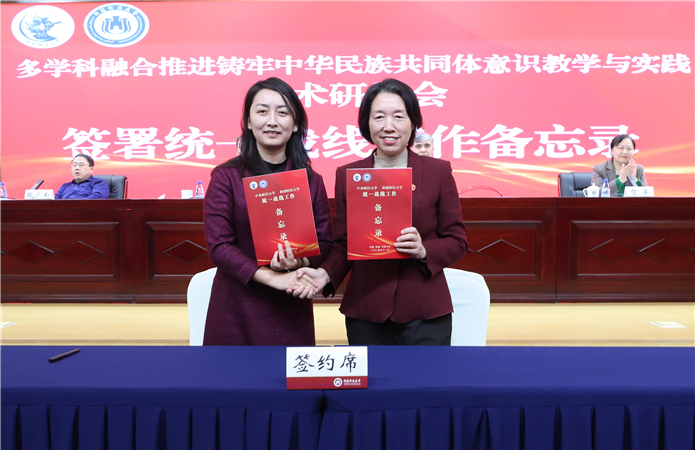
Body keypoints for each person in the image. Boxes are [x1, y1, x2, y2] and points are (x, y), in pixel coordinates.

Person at [294, 78, 468, 346]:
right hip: (366, 309)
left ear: (413, 122)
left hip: (425, 310)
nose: (389, 126)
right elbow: (343, 243)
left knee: (427, 375)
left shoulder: (438, 172)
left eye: (399, 116)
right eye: (379, 117)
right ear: (367, 124)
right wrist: (326, 274)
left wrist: (423, 250)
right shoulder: (349, 174)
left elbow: (457, 241)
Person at [203, 77, 333, 346]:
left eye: (282, 112)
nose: (272, 121)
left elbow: (325, 242)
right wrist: (273, 278)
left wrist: (298, 263)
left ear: (295, 124)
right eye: (262, 111)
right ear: (249, 122)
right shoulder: (226, 176)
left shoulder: (311, 181)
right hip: (236, 304)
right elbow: (220, 246)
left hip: (291, 303)